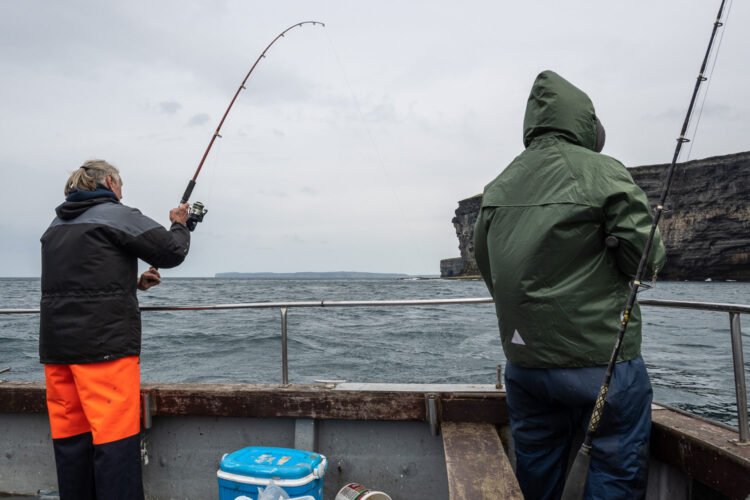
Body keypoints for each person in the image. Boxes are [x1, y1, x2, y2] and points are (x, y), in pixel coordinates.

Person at [473, 70, 666, 499]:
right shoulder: (604, 173)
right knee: (616, 464)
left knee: (538, 466)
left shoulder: (497, 186)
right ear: (584, 123)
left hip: (526, 366)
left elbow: (490, 268)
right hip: (602, 363)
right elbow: (646, 259)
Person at [40, 159, 191, 499]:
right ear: (110, 181)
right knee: (114, 444)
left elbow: (81, 279)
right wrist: (179, 224)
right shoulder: (116, 213)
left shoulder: (56, 223)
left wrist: (134, 283)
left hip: (57, 353)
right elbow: (172, 251)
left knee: (72, 443)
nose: (123, 192)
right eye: (121, 185)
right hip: (103, 349)